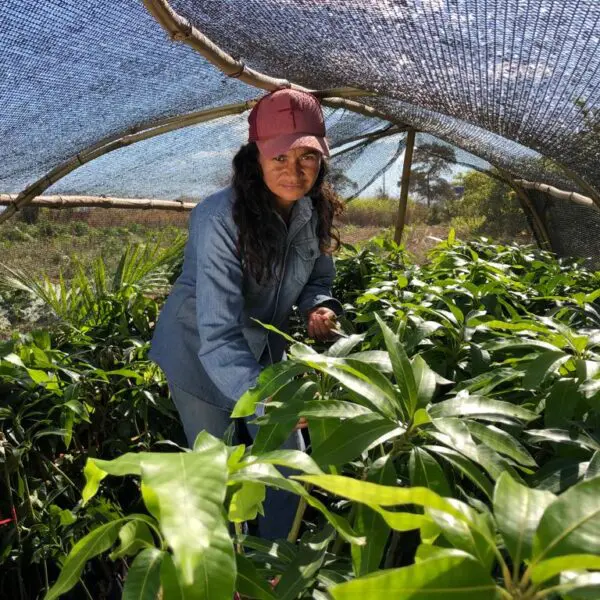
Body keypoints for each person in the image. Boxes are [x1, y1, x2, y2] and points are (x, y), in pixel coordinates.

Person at [149, 88, 344, 539]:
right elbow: (216, 334)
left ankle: (270, 567)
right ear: (255, 157)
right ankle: (211, 568)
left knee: (289, 472)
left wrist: (319, 307)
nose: (294, 173)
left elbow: (318, 279)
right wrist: (265, 399)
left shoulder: (313, 211)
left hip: (263, 349)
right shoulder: (219, 219)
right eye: (280, 159)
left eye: (307, 158)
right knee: (213, 472)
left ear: (322, 159)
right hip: (198, 354)